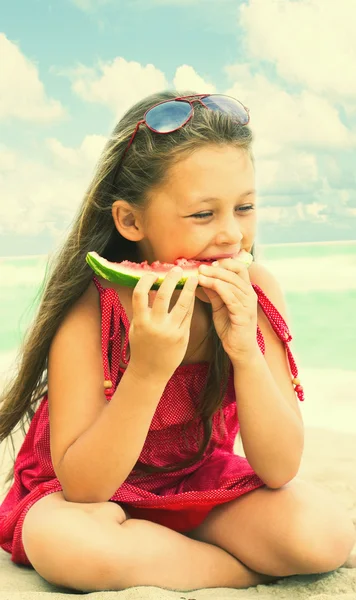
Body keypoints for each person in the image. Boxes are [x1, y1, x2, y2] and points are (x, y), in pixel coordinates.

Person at [0, 91, 354, 593]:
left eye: (245, 207)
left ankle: (166, 554)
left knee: (323, 535)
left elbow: (278, 468)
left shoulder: (258, 294)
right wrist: (147, 370)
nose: (232, 235)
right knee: (64, 544)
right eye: (203, 215)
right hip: (91, 499)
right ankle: (240, 571)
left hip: (195, 482)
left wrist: (245, 351)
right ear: (130, 221)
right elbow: (82, 488)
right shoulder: (89, 311)